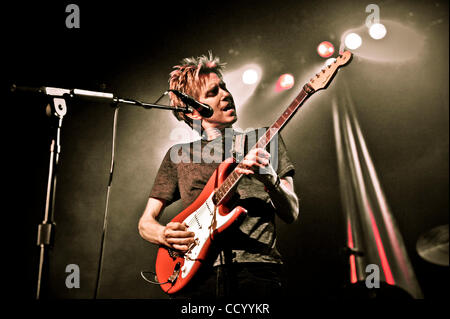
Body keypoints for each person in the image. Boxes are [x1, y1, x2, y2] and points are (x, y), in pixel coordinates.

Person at [138, 52, 299, 299]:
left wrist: (270, 178)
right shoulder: (178, 155)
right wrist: (162, 234)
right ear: (192, 111)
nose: (226, 94)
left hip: (256, 271)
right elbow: (145, 223)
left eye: (223, 87)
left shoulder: (265, 140)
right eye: (213, 93)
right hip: (195, 274)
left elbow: (292, 212)